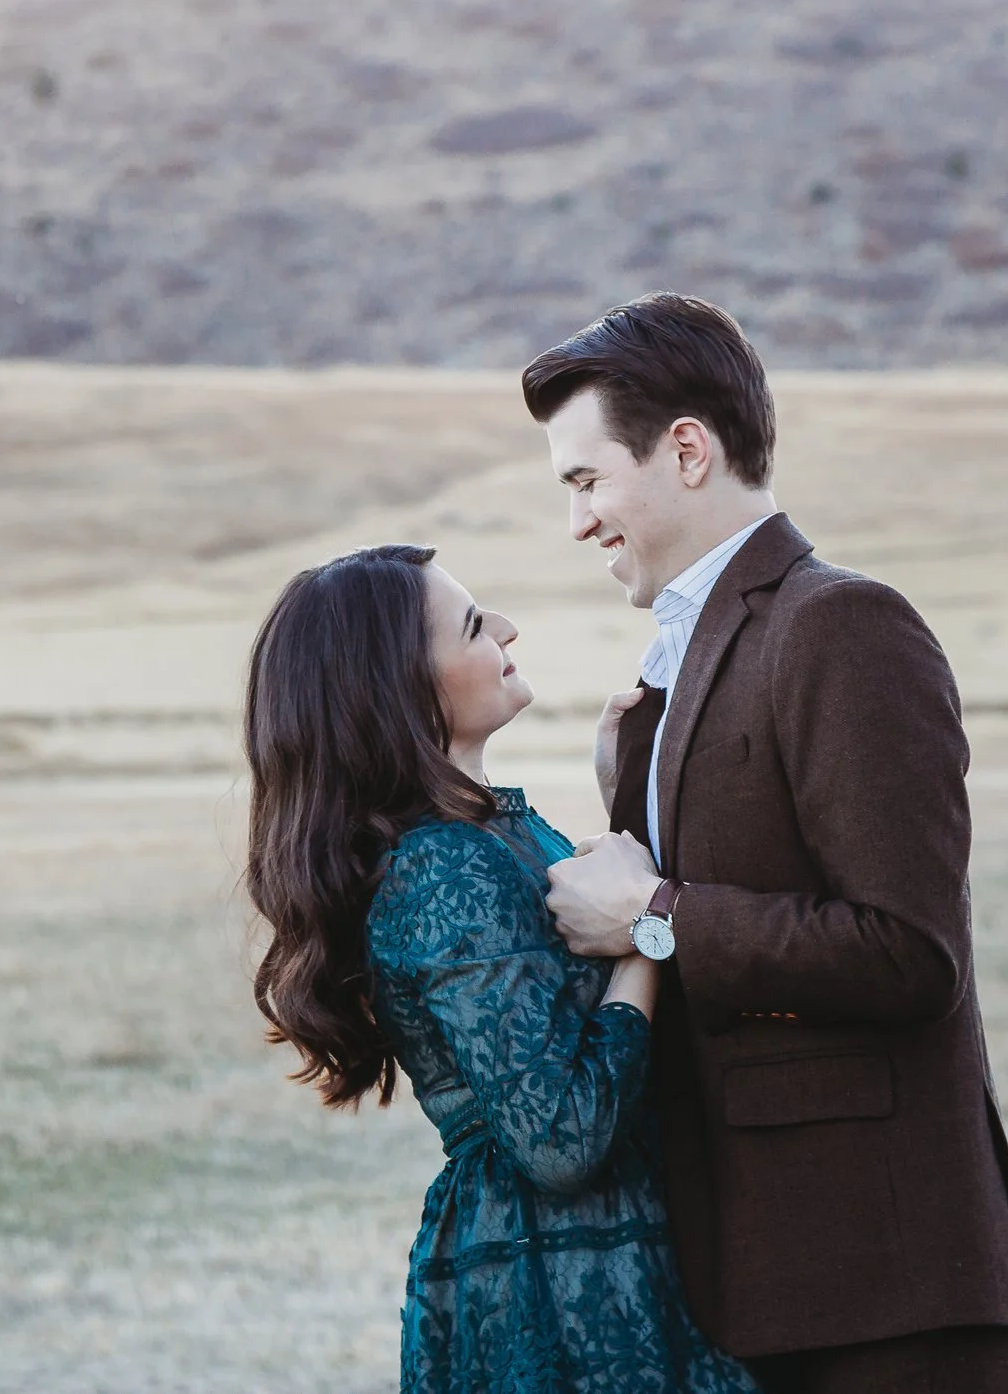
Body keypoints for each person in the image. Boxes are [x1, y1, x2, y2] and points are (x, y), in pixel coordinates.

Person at [524, 295, 1008, 1394]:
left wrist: (653, 915)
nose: (576, 522)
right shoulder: (687, 660)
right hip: (763, 1274)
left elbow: (907, 952)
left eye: (586, 481)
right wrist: (626, 786)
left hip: (886, 1282)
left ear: (686, 450)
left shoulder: (843, 624)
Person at [244, 543, 758, 1394]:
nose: (511, 629)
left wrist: (626, 801)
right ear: (401, 686)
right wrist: (646, 936)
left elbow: (588, 947)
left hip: (593, 1249)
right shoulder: (444, 865)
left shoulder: (491, 834)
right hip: (558, 1276)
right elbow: (560, 1134)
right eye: (477, 625)